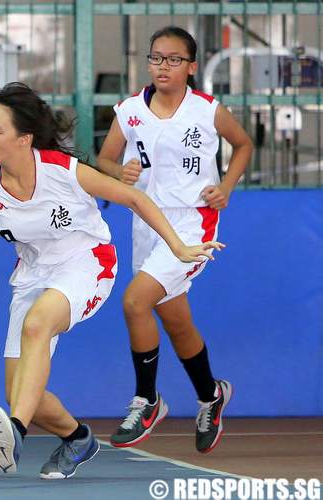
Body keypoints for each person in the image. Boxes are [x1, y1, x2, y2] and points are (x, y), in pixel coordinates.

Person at [0, 81, 222, 479]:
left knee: (38, 325)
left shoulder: (63, 171)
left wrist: (178, 247)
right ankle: (78, 438)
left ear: (24, 139)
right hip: (32, 275)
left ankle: (16, 433)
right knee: (24, 392)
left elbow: (135, 198)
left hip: (87, 264)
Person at [97, 26, 253, 453]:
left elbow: (242, 144)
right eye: (157, 58)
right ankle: (211, 395)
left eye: (173, 59)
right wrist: (118, 173)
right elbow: (105, 160)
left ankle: (147, 400)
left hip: (192, 224)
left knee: (135, 302)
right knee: (176, 321)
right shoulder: (129, 110)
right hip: (147, 224)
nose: (163, 66)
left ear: (191, 66)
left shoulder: (207, 110)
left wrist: (227, 185)